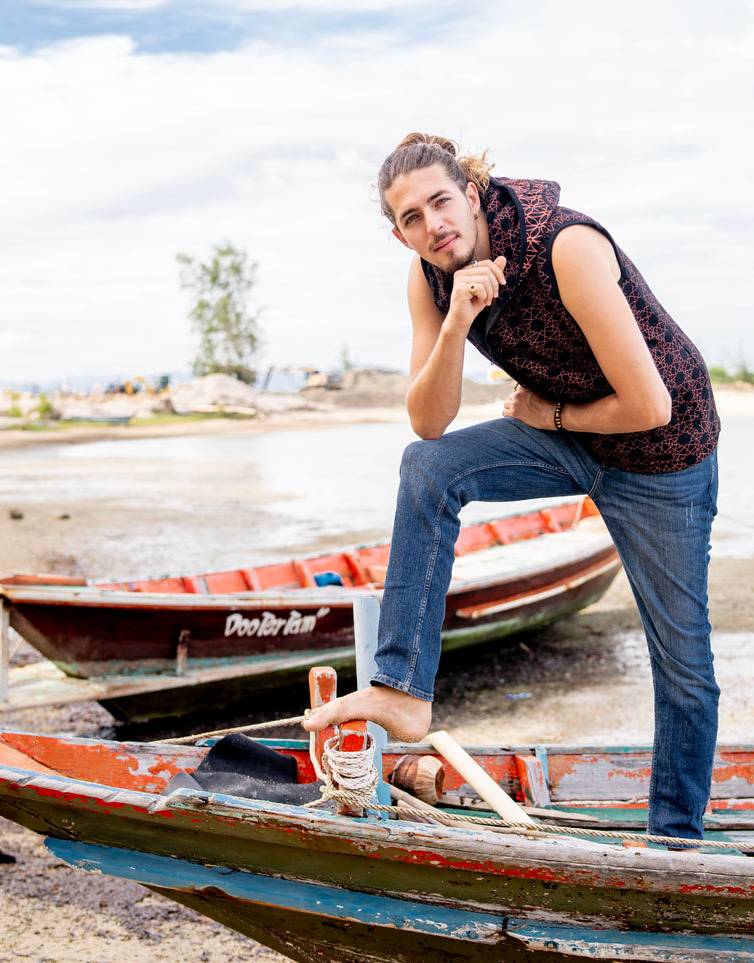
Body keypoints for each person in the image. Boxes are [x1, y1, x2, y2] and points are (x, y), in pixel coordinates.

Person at [304, 133, 721, 840]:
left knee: (681, 661)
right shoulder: (429, 276)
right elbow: (428, 424)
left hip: (660, 453)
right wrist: (458, 322)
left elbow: (650, 406)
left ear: (470, 194)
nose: (432, 224)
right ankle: (402, 689)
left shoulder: (567, 247)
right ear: (399, 232)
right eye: (410, 217)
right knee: (425, 468)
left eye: (440, 202)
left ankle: (674, 838)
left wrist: (550, 414)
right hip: (567, 438)